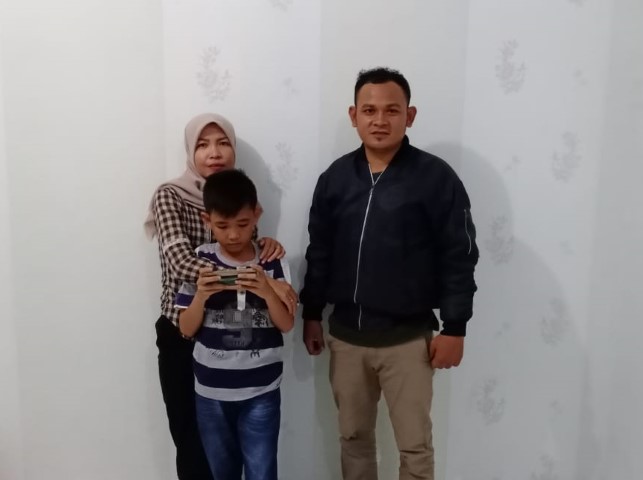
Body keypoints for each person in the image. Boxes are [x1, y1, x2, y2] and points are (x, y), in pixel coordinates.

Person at [299, 67, 479, 480]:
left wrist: (455, 327)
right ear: (353, 115)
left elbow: (459, 254)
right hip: (347, 338)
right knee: (353, 439)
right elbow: (319, 251)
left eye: (391, 110)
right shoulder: (335, 179)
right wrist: (311, 313)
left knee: (414, 446)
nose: (379, 120)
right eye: (369, 110)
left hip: (408, 341)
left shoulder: (435, 178)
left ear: (409, 116)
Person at [144, 113, 296, 480]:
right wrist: (262, 281)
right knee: (193, 444)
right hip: (183, 332)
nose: (214, 152)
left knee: (252, 458)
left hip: (241, 345)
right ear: (190, 151)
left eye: (223, 143)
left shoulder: (238, 195)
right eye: (203, 144)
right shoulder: (170, 195)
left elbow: (247, 251)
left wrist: (266, 251)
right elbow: (181, 263)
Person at [175, 169, 293, 480]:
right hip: (210, 390)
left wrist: (267, 289)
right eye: (222, 226)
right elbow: (185, 328)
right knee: (222, 473)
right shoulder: (201, 260)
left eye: (242, 224)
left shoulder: (272, 260)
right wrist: (201, 296)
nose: (232, 235)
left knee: (261, 472)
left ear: (256, 215)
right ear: (207, 220)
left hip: (262, 388)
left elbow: (286, 324)